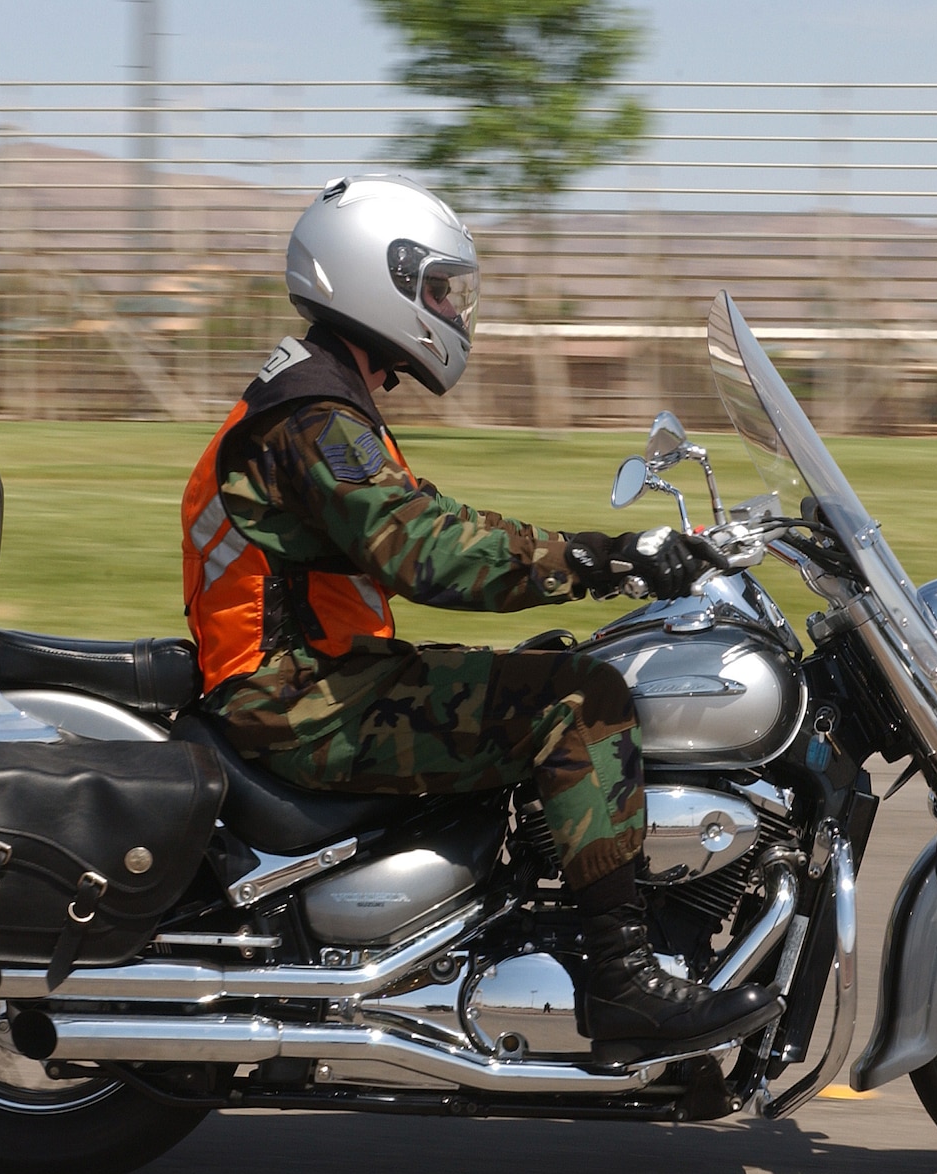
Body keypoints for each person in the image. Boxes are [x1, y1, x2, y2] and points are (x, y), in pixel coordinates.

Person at [180, 175, 778, 1060]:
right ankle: (620, 984)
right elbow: (424, 547)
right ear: (367, 275)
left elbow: (416, 528)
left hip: (317, 674)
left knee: (547, 664)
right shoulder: (312, 415)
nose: (452, 309)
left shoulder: (323, 396)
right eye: (436, 288)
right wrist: (597, 558)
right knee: (582, 700)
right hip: (298, 698)